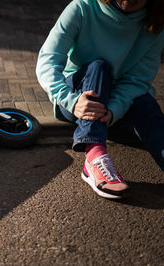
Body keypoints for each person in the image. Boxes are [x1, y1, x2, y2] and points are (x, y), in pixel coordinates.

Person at [36, 0, 164, 199]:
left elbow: (138, 80)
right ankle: (94, 156)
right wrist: (70, 100)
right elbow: (47, 60)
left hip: (114, 108)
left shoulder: (155, 21)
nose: (128, 0)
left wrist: (113, 109)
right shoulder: (82, 7)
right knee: (99, 67)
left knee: (145, 103)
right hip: (78, 100)